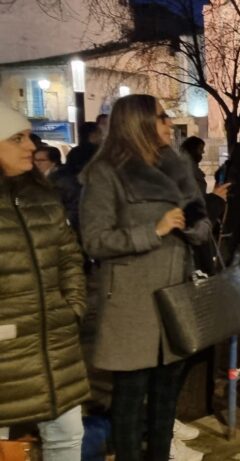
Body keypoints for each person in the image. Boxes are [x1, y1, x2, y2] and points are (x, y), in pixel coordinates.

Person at [79, 94, 211, 460]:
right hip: (131, 306)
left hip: (175, 297)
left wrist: (196, 226)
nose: (169, 123)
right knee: (130, 398)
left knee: (167, 396)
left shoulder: (176, 168)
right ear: (138, 123)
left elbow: (199, 222)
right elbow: (94, 239)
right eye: (162, 117)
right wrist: (153, 230)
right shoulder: (106, 173)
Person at [0, 104, 90, 460]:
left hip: (55, 342)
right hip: (7, 351)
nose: (30, 147)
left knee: (67, 435)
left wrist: (73, 307)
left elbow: (69, 257)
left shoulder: (41, 195)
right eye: (16, 138)